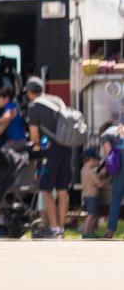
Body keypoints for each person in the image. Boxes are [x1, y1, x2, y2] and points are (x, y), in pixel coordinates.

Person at [26, 76, 71, 238]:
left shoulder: (34, 106)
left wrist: (37, 146)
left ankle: (53, 228)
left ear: (30, 92)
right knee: (62, 190)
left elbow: (35, 136)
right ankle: (61, 228)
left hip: (51, 152)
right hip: (67, 147)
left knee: (45, 189)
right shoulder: (57, 100)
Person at [100, 121, 124, 239]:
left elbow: (109, 155)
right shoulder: (119, 129)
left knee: (116, 198)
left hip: (121, 161)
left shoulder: (105, 135)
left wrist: (107, 170)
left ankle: (110, 231)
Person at [80, 149, 106, 238]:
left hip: (87, 195)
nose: (97, 162)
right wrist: (107, 178)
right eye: (96, 160)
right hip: (92, 196)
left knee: (94, 214)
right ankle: (86, 232)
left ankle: (89, 232)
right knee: (91, 215)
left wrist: (99, 176)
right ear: (91, 160)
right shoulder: (91, 171)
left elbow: (92, 180)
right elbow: (99, 184)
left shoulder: (83, 170)